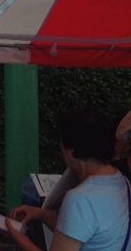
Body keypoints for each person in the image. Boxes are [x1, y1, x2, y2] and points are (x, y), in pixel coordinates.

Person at [7, 108, 131, 251]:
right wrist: (42, 214)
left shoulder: (80, 198)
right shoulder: (123, 182)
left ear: (71, 149)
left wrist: (21, 239)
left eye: (61, 144)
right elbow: (83, 232)